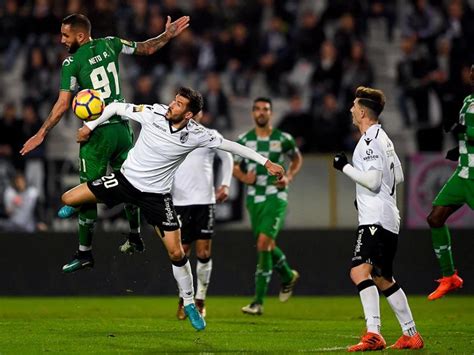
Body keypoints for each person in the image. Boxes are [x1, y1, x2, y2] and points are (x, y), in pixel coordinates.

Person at [59, 87, 284, 331]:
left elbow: (231, 147)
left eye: (178, 104)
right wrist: (89, 126)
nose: (171, 105)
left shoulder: (197, 134)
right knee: (68, 198)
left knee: (177, 254)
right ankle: (84, 202)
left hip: (157, 197)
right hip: (125, 181)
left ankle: (189, 303)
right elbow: (114, 107)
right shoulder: (153, 113)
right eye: (174, 100)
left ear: (188, 115)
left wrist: (266, 162)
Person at [20, 13, 190, 273]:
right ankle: (134, 235)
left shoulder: (72, 62)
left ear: (80, 35)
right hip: (122, 129)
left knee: (88, 190)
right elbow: (145, 48)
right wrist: (166, 35)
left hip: (97, 133)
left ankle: (84, 253)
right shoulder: (111, 43)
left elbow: (64, 103)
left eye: (66, 35)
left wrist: (41, 133)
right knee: (132, 181)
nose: (62, 40)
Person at [332, 86, 424, 351]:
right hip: (389, 216)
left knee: (359, 270)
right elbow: (399, 177)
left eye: (353, 106)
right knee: (383, 278)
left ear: (362, 111)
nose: (350, 109)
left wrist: (344, 166)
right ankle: (411, 334)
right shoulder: (384, 138)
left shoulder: (369, 141)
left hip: (375, 219)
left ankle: (373, 333)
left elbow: (373, 181)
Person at [233, 97, 303, 316]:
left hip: (276, 196)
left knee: (264, 243)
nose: (261, 112)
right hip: (254, 199)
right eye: (258, 109)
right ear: (253, 113)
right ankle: (287, 275)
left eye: (265, 109)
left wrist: (289, 177)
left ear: (270, 113)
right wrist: (245, 177)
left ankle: (258, 301)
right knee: (267, 245)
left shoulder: (283, 138)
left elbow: (297, 159)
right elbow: (234, 167)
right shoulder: (244, 139)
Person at [172, 114, 233, 320]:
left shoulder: (209, 135)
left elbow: (227, 156)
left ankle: (200, 299)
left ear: (201, 114)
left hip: (205, 201)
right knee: (181, 252)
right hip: (179, 202)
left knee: (203, 251)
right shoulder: (171, 135)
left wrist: (225, 183)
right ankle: (184, 299)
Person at [425, 64, 474, 301]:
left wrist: (460, 128)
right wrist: (460, 148)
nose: (470, 73)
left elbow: (470, 131)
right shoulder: (468, 100)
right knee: (435, 218)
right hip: (463, 172)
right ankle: (449, 277)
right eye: (470, 70)